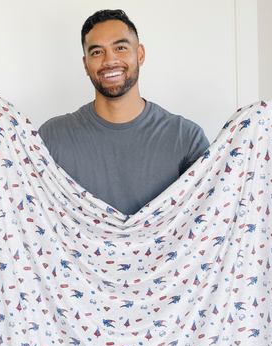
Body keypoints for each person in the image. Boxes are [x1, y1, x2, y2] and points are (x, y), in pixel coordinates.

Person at [37, 9, 210, 216]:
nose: (110, 61)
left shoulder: (187, 138)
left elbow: (206, 221)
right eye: (97, 52)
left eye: (120, 47)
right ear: (85, 64)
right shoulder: (51, 137)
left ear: (140, 55)